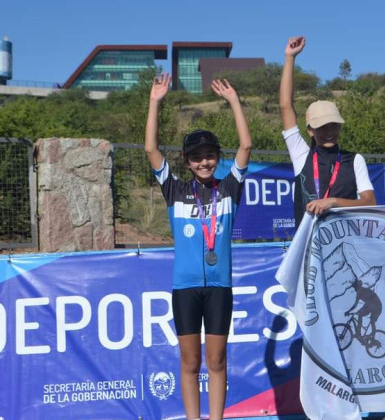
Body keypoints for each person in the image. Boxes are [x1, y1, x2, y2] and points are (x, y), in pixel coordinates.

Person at [145, 73, 252, 420]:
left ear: (217, 158)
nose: (203, 162)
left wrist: (234, 101)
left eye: (209, 155)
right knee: (190, 362)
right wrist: (155, 101)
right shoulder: (175, 191)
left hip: (219, 287)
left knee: (216, 361)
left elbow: (246, 146)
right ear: (187, 162)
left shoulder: (229, 189)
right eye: (196, 157)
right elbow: (150, 149)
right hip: (185, 288)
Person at [279, 36, 376, 227]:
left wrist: (333, 202)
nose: (329, 131)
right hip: (308, 247)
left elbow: (369, 202)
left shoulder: (354, 159)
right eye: (322, 127)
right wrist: (290, 58)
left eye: (333, 125)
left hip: (343, 243)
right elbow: (285, 106)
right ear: (310, 130)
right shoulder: (302, 155)